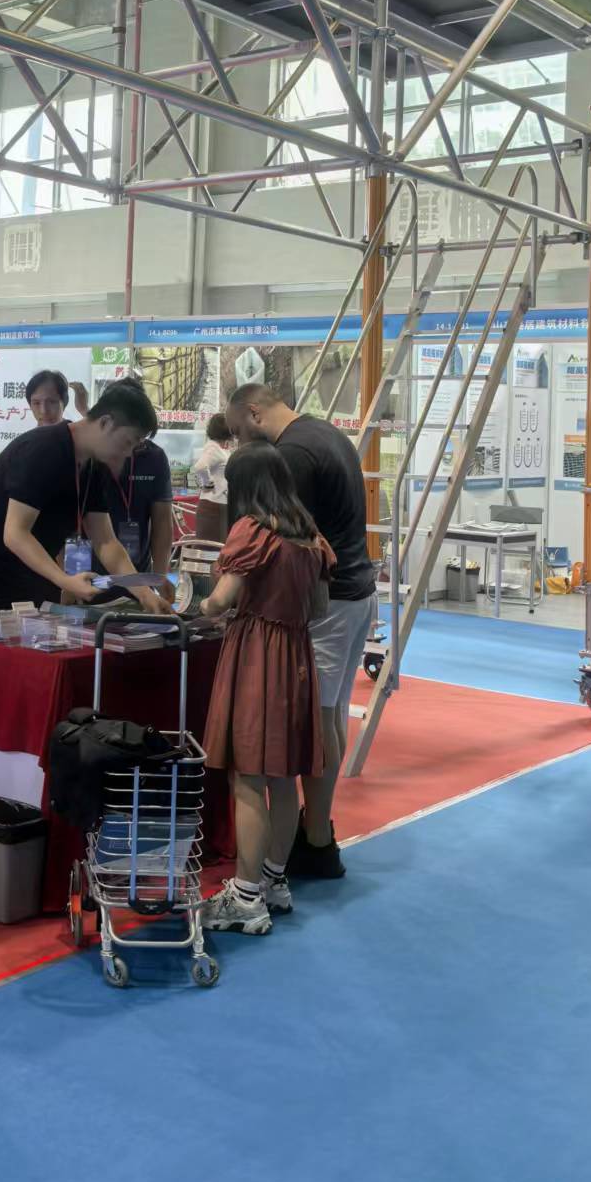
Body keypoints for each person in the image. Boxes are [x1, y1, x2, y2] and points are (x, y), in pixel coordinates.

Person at [0, 380, 165, 857]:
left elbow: (106, 542)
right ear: (105, 423)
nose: (127, 455)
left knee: (16, 678)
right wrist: (64, 579)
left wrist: (144, 590)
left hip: (27, 577)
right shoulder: (43, 449)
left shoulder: (93, 468)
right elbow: (14, 533)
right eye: (127, 443)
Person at [224, 383, 377, 879]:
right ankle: (316, 832)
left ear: (253, 413)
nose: (239, 443)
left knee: (318, 722)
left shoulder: (290, 455)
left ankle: (317, 841)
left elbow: (284, 541)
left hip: (329, 604)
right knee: (330, 717)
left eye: (237, 432)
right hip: (355, 593)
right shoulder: (326, 433)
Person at [197, 442, 328, 936]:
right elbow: (321, 609)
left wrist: (201, 606)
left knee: (248, 776)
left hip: (256, 655)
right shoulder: (310, 535)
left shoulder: (252, 530)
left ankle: (246, 897)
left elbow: (221, 600)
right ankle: (273, 880)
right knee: (283, 776)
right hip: (296, 656)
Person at [73, 376, 175, 604]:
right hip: (87, 575)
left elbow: (162, 522)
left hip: (136, 575)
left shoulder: (154, 458)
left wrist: (159, 575)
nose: (128, 450)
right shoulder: (90, 456)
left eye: (138, 437)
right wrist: (66, 577)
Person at [190, 412, 233, 542]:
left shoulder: (220, 448)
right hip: (213, 504)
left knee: (218, 546)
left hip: (218, 503)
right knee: (211, 547)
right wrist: (208, 484)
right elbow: (200, 466)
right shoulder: (213, 448)